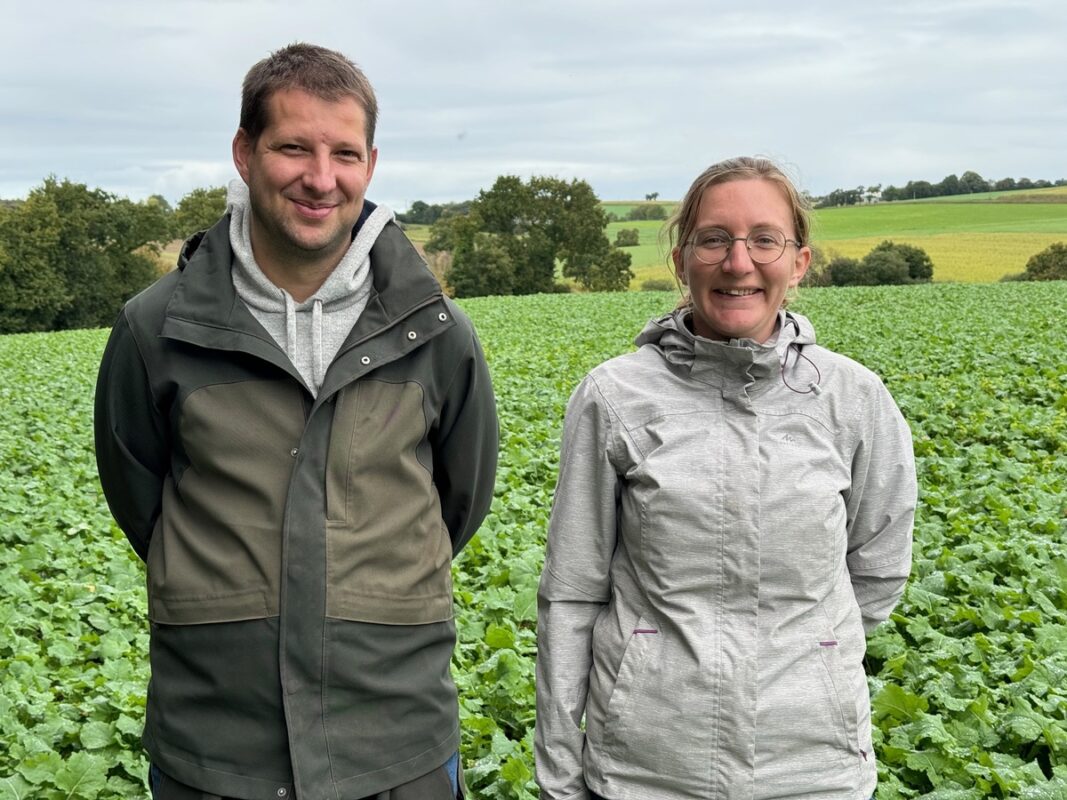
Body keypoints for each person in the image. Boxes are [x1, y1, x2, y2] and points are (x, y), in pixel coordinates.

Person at [95, 43, 497, 800]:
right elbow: (142, 500)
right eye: (293, 147)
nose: (321, 178)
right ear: (245, 153)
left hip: (396, 742)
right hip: (216, 751)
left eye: (344, 152)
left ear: (370, 164)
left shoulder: (437, 333)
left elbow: (457, 501)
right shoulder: (155, 330)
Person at [535, 156, 916, 800]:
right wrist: (559, 772)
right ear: (682, 260)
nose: (738, 262)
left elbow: (877, 572)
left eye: (764, 240)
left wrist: (811, 660)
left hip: (813, 770)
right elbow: (572, 596)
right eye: (714, 239)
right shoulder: (615, 397)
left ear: (798, 262)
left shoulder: (852, 399)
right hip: (644, 768)